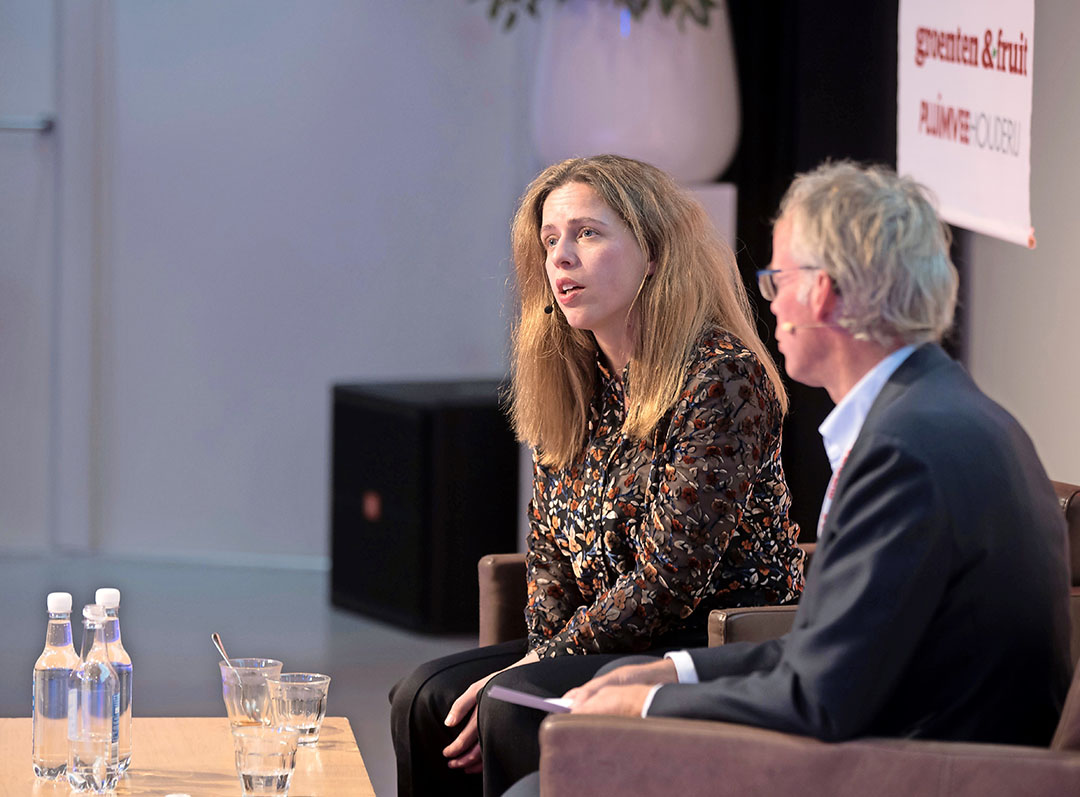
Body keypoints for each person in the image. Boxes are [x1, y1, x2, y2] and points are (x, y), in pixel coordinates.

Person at [502, 160, 1073, 796]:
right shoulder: (934, 414)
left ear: (823, 292)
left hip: (913, 771)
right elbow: (823, 649)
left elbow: (819, 698)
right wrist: (669, 673)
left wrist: (644, 709)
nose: (768, 303)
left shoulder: (907, 452)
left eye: (778, 279)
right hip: (901, 745)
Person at [390, 154, 806, 796]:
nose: (560, 258)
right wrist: (541, 649)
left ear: (654, 252)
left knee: (510, 701)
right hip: (603, 640)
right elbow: (552, 556)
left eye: (587, 233)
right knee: (423, 697)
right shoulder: (574, 381)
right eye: (550, 240)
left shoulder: (719, 376)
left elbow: (671, 576)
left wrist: (539, 664)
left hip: (704, 645)